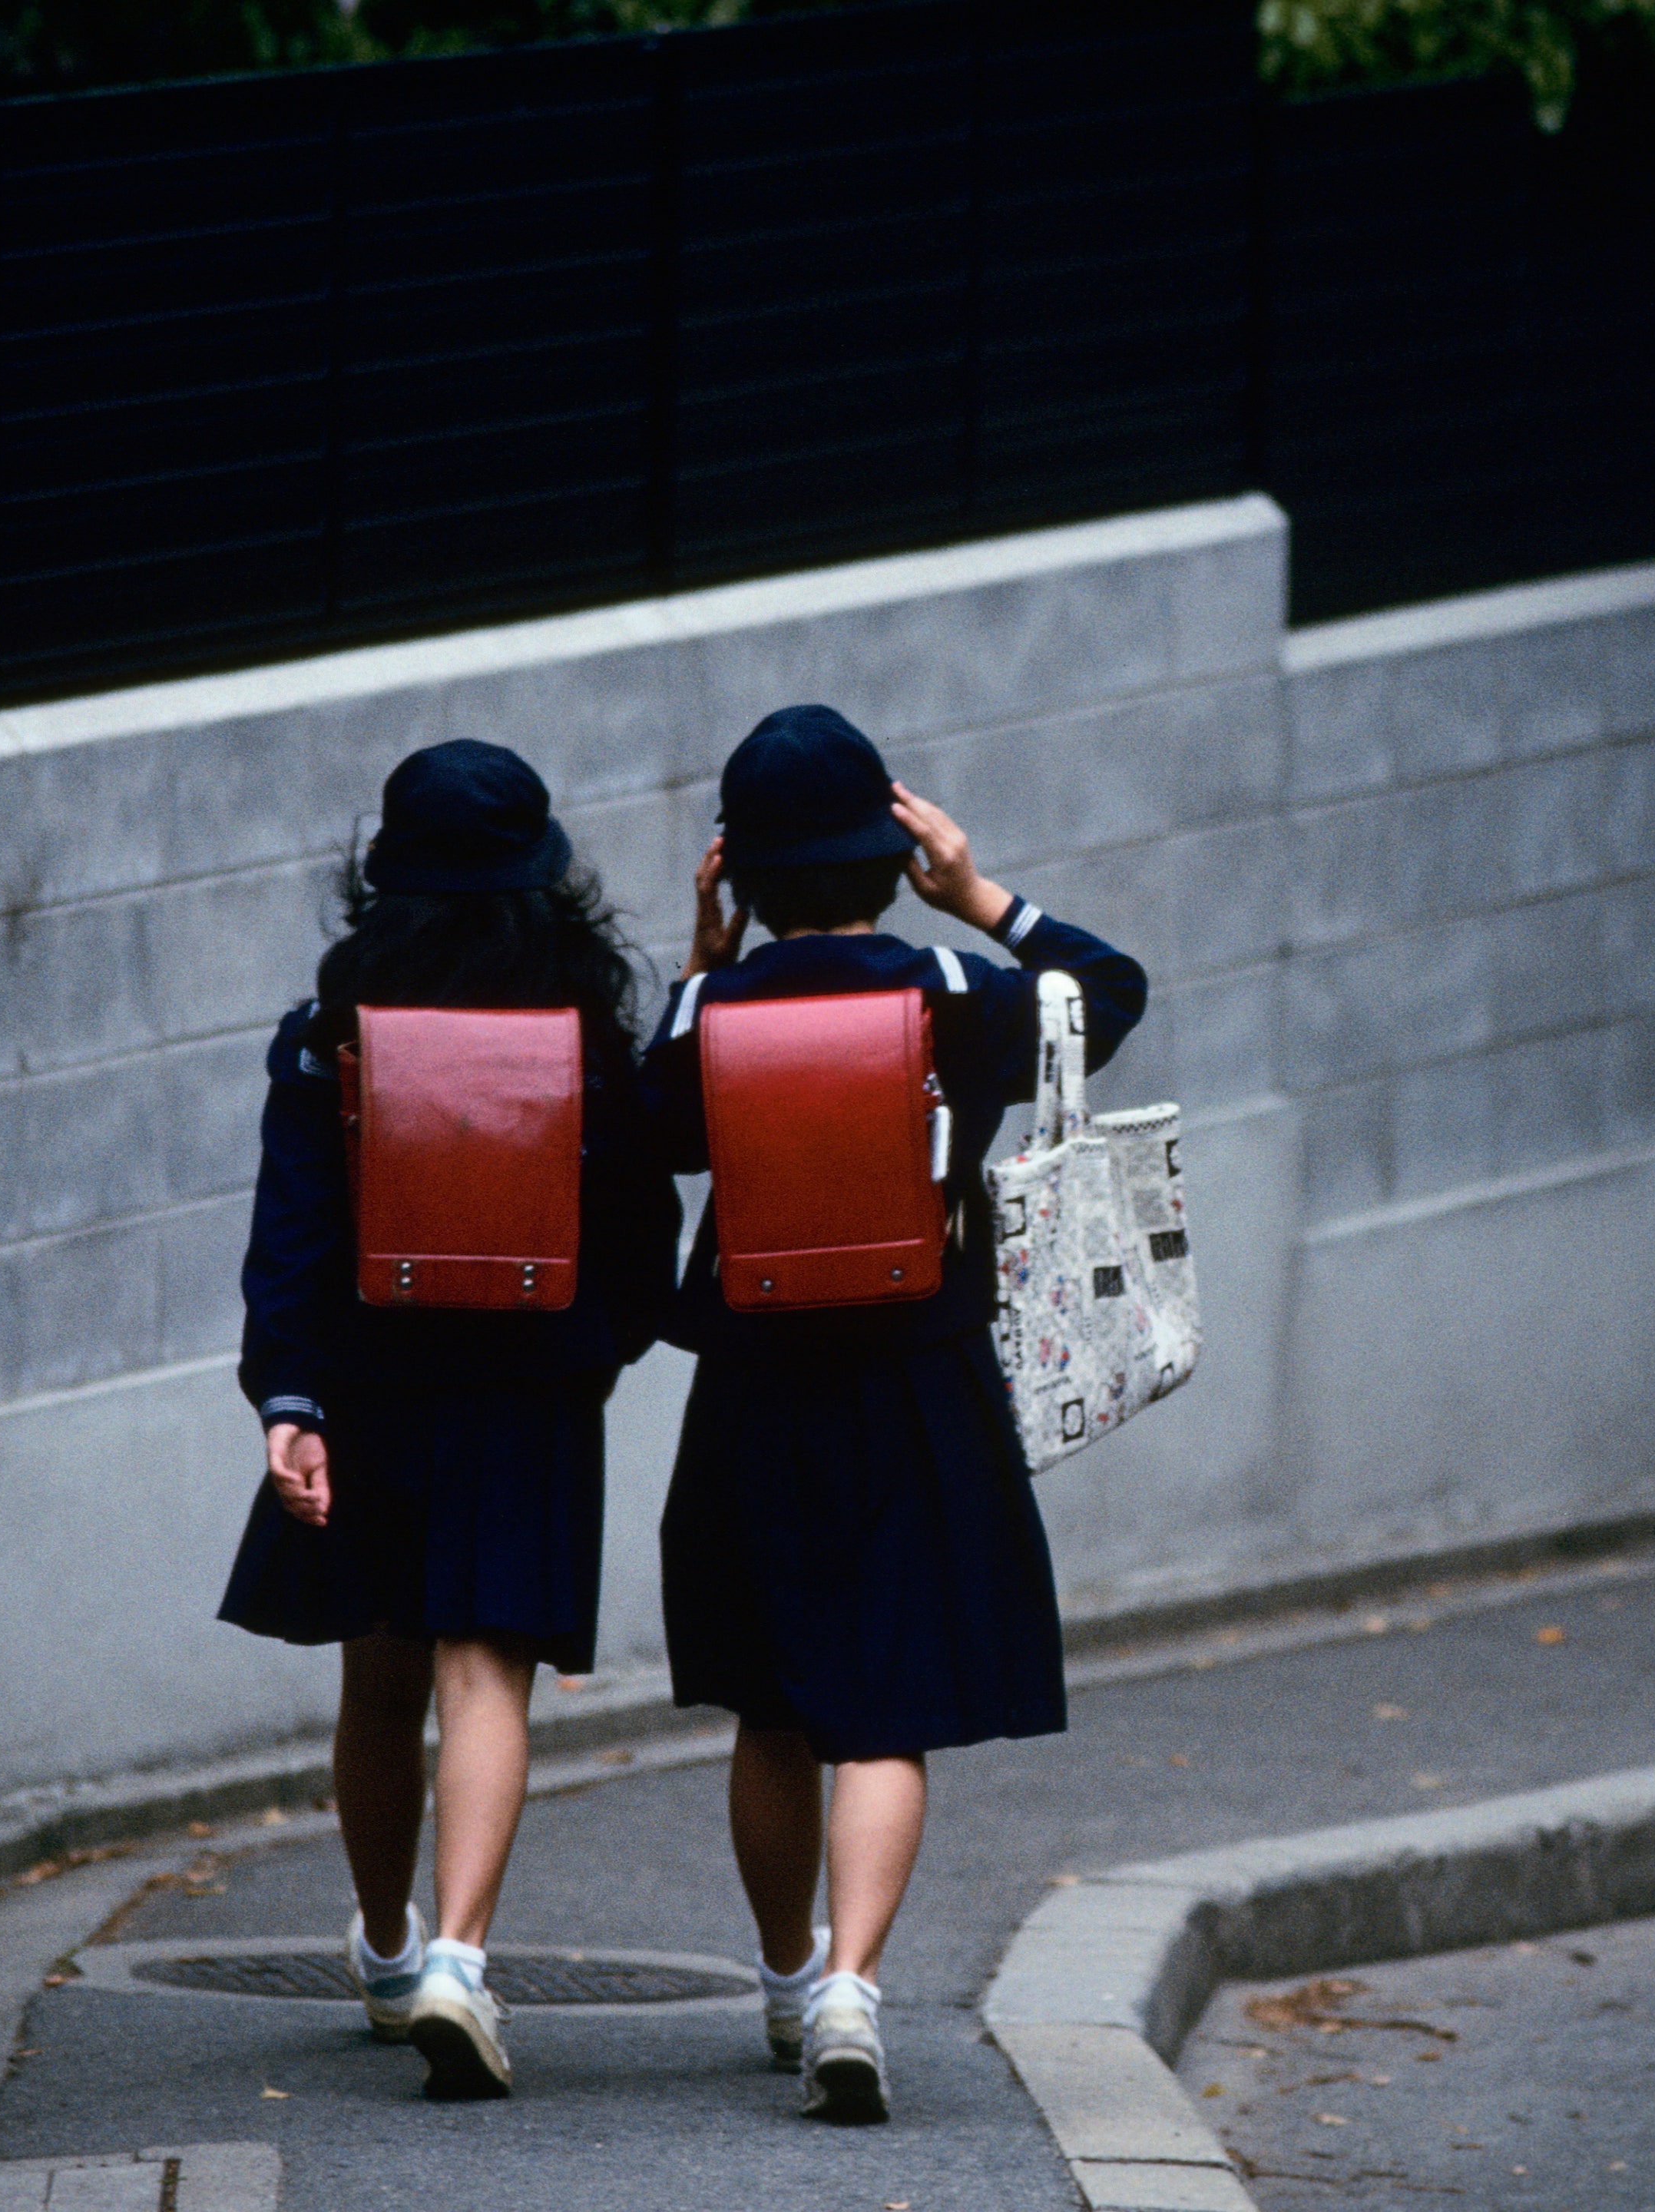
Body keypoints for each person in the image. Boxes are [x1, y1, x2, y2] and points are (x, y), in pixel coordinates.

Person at [641, 704, 1147, 2124]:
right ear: (887, 851)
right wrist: (980, 892)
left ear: (737, 874)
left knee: (770, 1704)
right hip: (918, 1380)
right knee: (885, 1706)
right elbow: (1110, 989)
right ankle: (859, 1986)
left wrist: (701, 963)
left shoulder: (704, 1020)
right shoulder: (953, 992)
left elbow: (640, 1130)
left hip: (751, 1391)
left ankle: (792, 1975)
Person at [219, 740, 680, 2100]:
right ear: (546, 891)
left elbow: (289, 1234)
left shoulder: (330, 1040)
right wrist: (596, 1356)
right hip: (530, 1383)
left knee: (381, 1674)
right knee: (492, 1675)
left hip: (368, 1378)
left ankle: (378, 1946)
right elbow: (642, 1236)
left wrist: (290, 1400)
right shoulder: (590, 1045)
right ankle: (462, 1961)